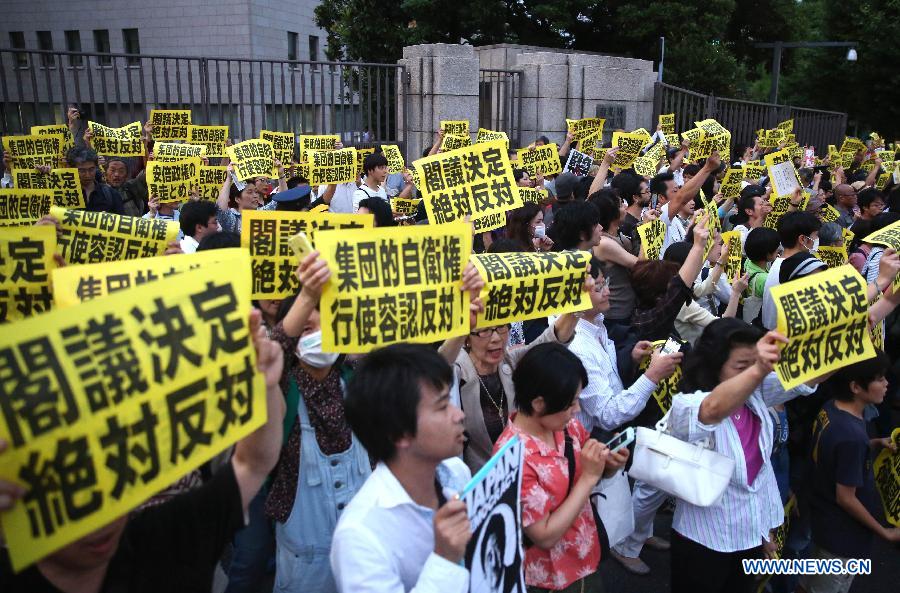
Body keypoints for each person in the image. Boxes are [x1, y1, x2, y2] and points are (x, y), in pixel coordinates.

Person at [0, 311, 286, 593]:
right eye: (76, 499)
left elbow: (253, 463)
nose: (100, 523)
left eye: (113, 486)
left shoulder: (168, 542)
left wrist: (262, 387)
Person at [667, 319, 822, 593]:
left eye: (756, 362)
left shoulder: (756, 394)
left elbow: (810, 374)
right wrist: (760, 368)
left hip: (748, 536)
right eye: (742, 366)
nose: (753, 372)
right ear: (714, 366)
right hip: (702, 542)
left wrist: (861, 325)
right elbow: (712, 410)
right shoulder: (685, 406)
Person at [264, 252, 372, 593]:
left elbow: (428, 376)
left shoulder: (355, 381)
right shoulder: (282, 390)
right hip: (306, 563)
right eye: (309, 328)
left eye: (328, 324)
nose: (321, 335)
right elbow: (270, 358)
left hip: (364, 549)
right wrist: (308, 295)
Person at [330, 344, 473, 593]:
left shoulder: (456, 473)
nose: (459, 414)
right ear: (399, 432)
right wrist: (444, 560)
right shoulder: (359, 537)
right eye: (442, 407)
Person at [493, 342, 629, 592]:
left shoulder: (566, 427)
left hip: (586, 556)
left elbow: (588, 471)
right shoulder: (511, 456)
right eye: (571, 402)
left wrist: (607, 465)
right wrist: (589, 477)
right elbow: (543, 535)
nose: (576, 410)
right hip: (549, 579)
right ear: (539, 403)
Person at [438, 275, 586, 472]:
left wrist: (578, 304)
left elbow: (551, 342)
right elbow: (436, 368)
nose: (496, 338)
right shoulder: (457, 371)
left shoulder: (510, 361)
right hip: (479, 481)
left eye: (501, 327)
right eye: (484, 331)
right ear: (467, 338)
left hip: (524, 470)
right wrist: (461, 327)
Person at [803, 352, 900, 593]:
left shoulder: (831, 409)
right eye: (879, 379)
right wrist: (885, 533)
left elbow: (835, 452)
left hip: (821, 524)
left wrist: (876, 442)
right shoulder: (852, 437)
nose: (887, 384)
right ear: (856, 386)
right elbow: (846, 498)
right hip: (841, 540)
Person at [567, 261, 682, 434]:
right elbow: (607, 415)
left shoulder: (597, 324)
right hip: (595, 445)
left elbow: (609, 378)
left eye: (606, 283)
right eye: (598, 288)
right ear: (575, 296)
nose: (607, 292)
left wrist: (632, 357)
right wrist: (653, 375)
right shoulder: (578, 347)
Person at [760, 212, 821, 330]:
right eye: (815, 236)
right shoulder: (803, 267)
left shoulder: (778, 262)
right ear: (803, 239)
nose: (816, 240)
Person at [67, 146, 125, 214]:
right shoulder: (63, 195)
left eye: (91, 169)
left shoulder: (111, 194)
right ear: (71, 168)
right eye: (82, 171)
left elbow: (121, 221)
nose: (87, 175)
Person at [742, 227, 780, 323]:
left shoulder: (749, 261)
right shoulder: (764, 279)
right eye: (776, 248)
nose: (778, 249)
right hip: (760, 321)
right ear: (767, 254)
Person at [216, 164, 261, 234]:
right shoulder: (233, 219)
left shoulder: (263, 213)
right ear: (237, 199)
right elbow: (220, 209)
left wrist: (281, 176)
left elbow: (280, 202)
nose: (255, 196)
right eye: (250, 192)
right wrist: (229, 178)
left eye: (256, 192)